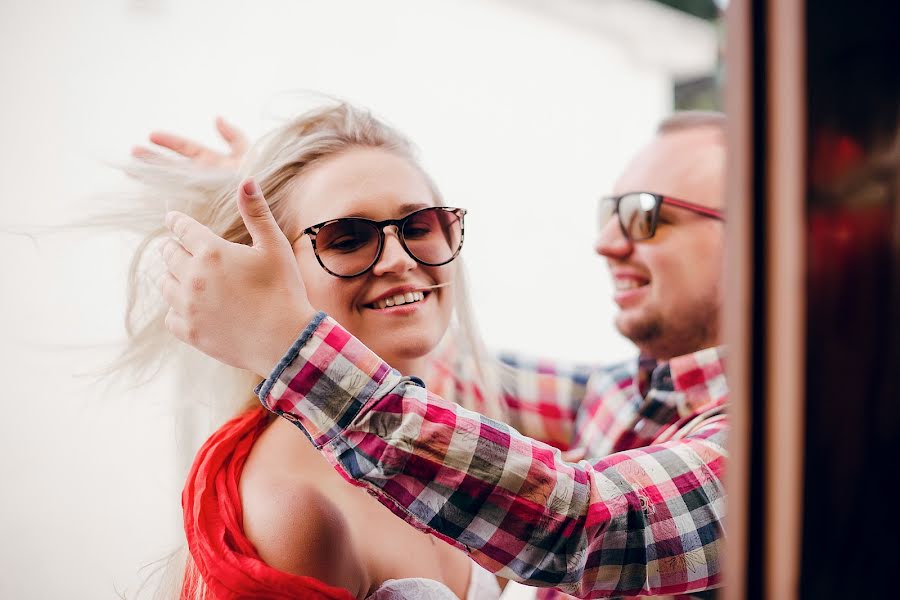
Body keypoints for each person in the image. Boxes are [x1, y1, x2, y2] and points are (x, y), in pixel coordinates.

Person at [160, 111, 729, 598]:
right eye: (348, 237)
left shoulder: (786, 448)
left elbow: (587, 522)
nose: (605, 241)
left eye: (647, 215)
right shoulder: (626, 397)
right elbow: (413, 356)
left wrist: (292, 343)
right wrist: (246, 226)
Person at [122, 101, 507, 599]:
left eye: (418, 227)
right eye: (347, 238)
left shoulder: (461, 408)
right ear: (276, 269)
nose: (397, 260)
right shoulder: (300, 510)